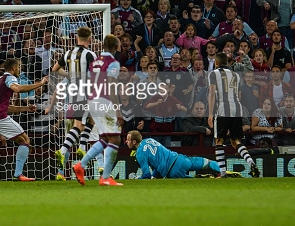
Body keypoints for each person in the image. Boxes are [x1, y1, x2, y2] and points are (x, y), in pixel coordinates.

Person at [72, 34, 124, 186]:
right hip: (105, 100)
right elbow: (112, 86)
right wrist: (118, 110)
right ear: (115, 47)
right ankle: (105, 177)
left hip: (92, 100)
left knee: (105, 138)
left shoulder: (94, 62)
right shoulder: (113, 63)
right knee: (115, 139)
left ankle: (81, 165)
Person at [51, 26, 97, 181]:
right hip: (85, 91)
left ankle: (81, 149)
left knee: (86, 121)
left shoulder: (68, 53)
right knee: (79, 126)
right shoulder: (90, 54)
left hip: (73, 92)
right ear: (89, 39)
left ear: (77, 37)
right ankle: (65, 150)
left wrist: (70, 75)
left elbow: (55, 69)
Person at [208, 52, 260, 178]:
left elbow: (212, 93)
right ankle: (251, 162)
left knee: (219, 140)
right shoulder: (236, 75)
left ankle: (223, 173)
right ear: (227, 63)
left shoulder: (213, 74)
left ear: (216, 63)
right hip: (237, 109)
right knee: (235, 141)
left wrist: (210, 113)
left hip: (222, 109)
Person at [126, 130, 221, 178]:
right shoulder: (150, 140)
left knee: (194, 182)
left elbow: (146, 175)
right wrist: (155, 176)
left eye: (128, 140)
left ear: (134, 142)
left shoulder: (139, 154)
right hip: (180, 159)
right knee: (207, 162)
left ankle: (204, 178)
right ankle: (223, 171)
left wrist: (137, 178)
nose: (126, 142)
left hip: (172, 171)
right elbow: (158, 161)